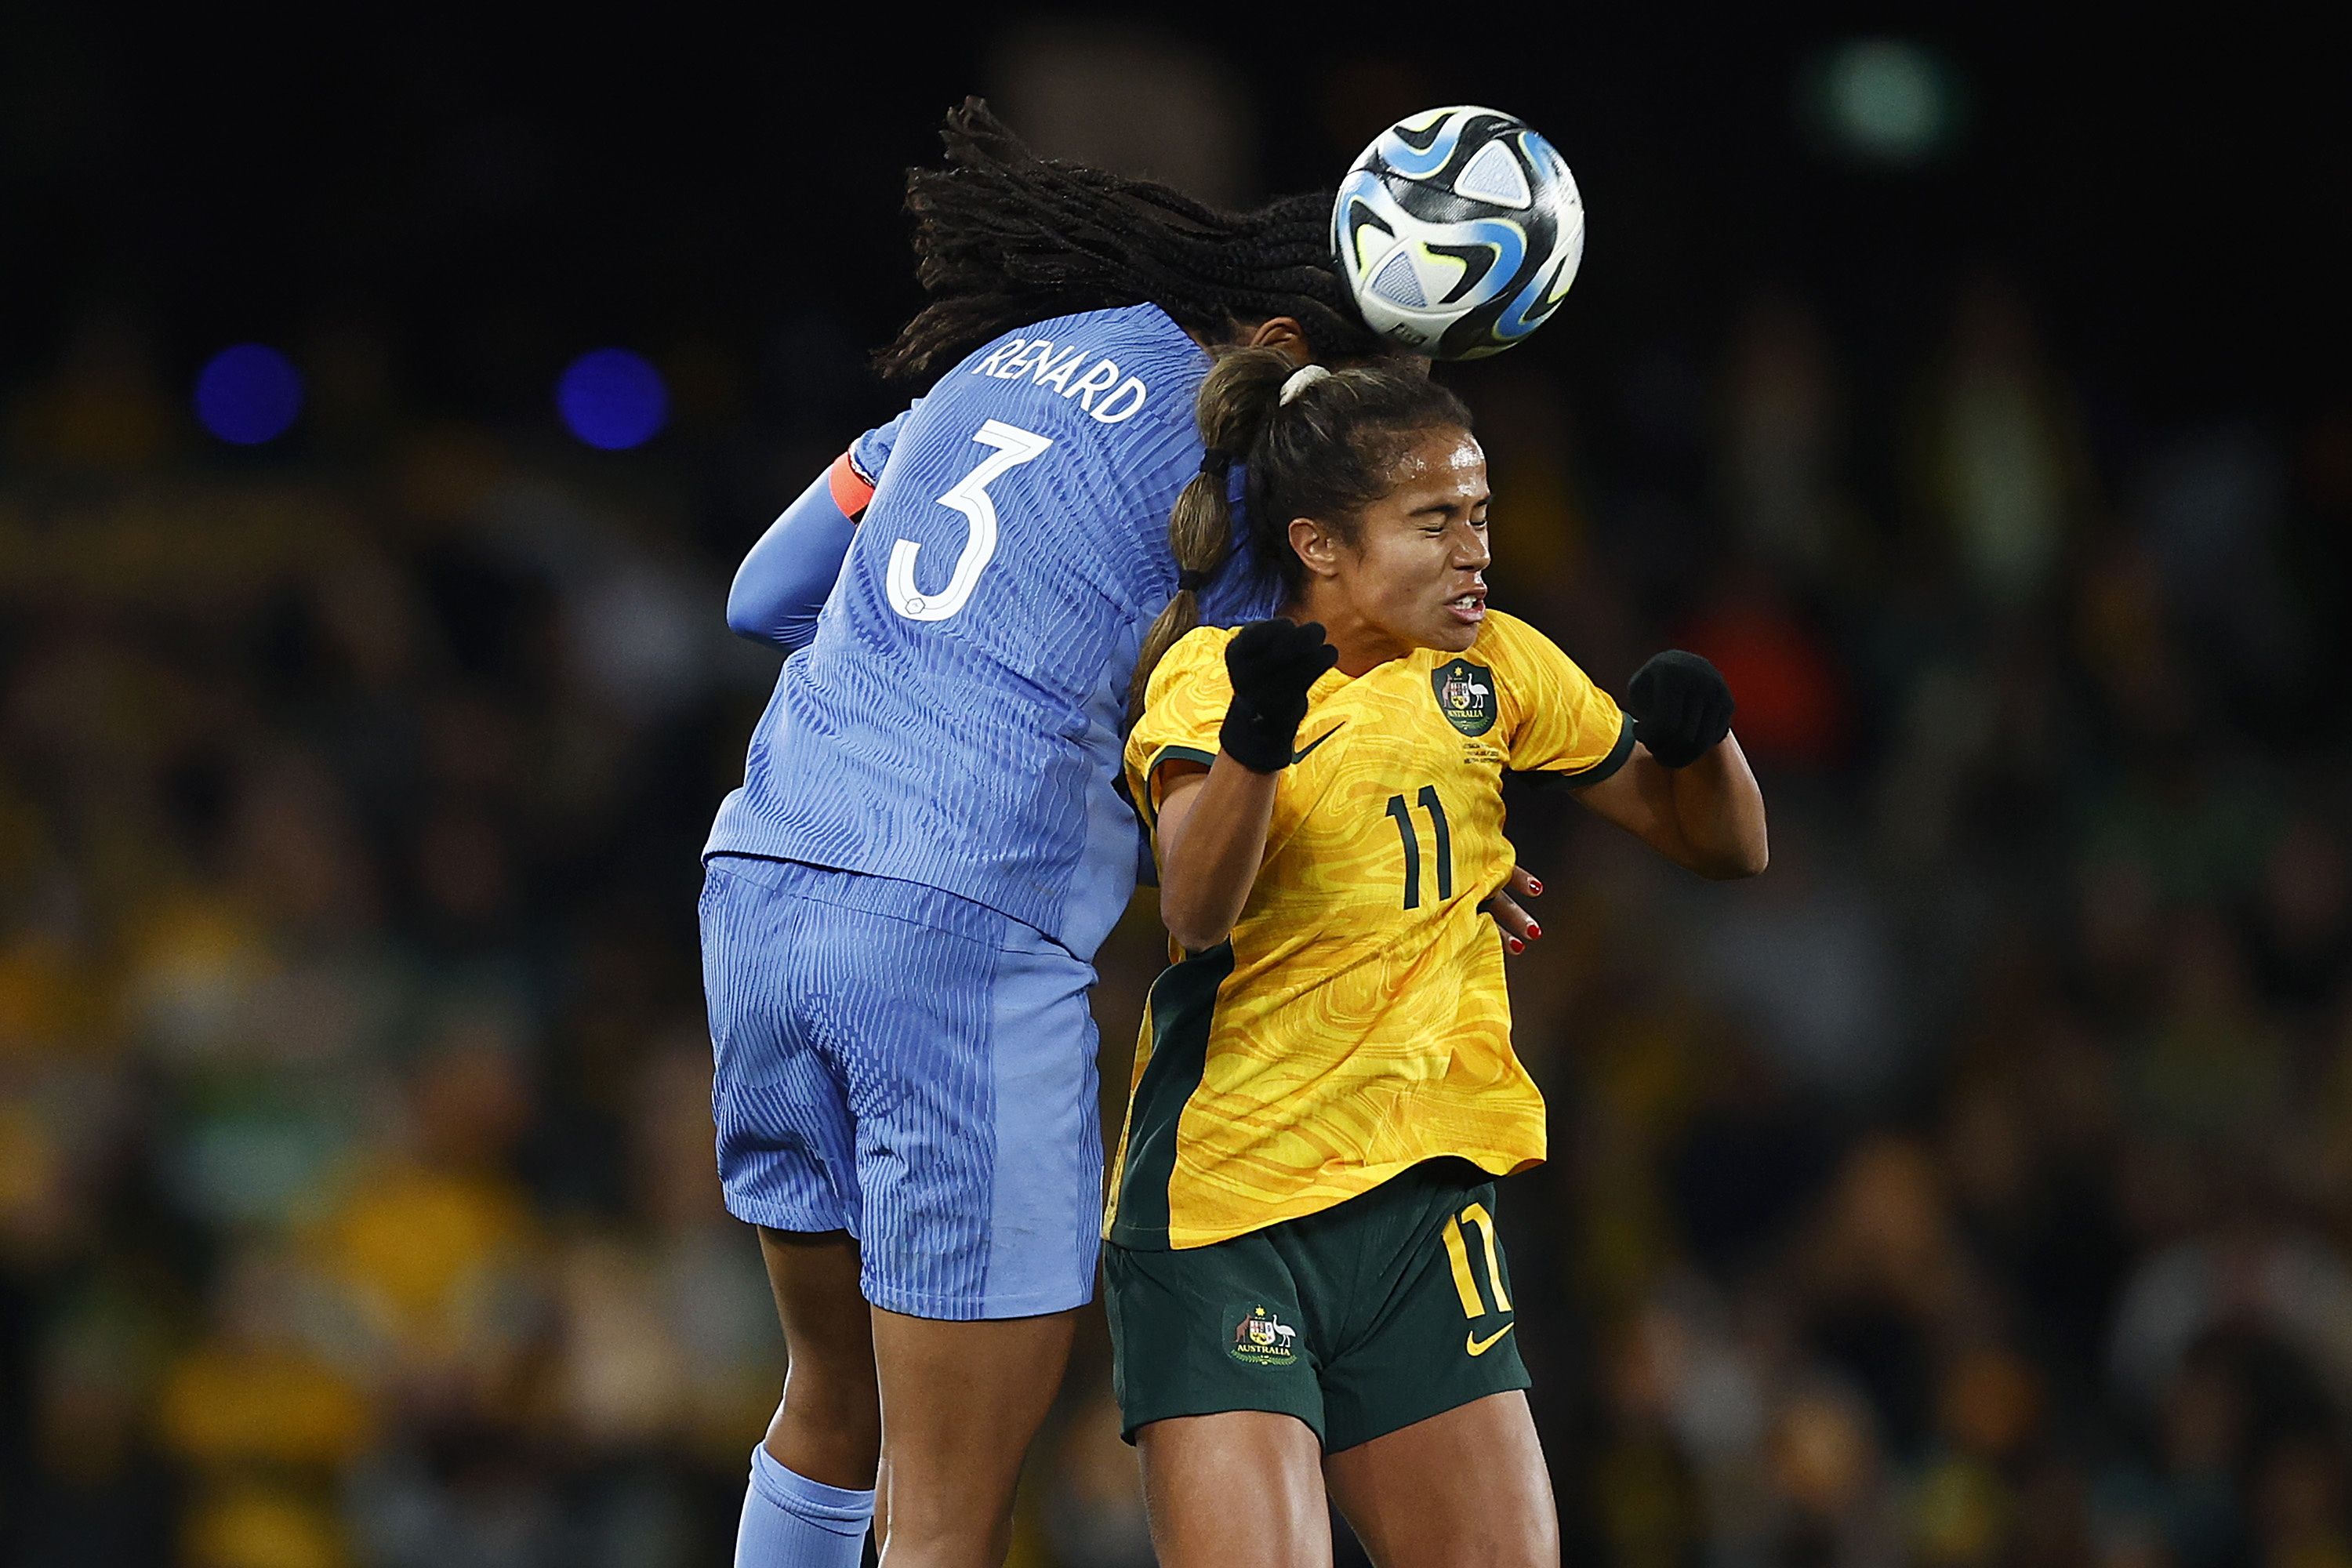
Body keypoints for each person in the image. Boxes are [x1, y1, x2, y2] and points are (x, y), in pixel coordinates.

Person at [703, 101, 1548, 1568]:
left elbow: (764, 595)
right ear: (1291, 354)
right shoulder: (1242, 505)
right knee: (944, 1529)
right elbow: (1225, 827)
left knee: (829, 1415)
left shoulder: (986, 367)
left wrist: (934, 680)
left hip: (763, 886)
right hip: (959, 943)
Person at [1109, 350, 1769, 1567]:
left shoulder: (1497, 668)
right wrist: (1262, 732)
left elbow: (1726, 849)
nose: (1475, 551)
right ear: (1320, 546)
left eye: (1480, 516)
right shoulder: (1214, 676)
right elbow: (1198, 909)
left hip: (1420, 1217)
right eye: (1434, 523)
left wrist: (1707, 743)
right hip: (1229, 1212)